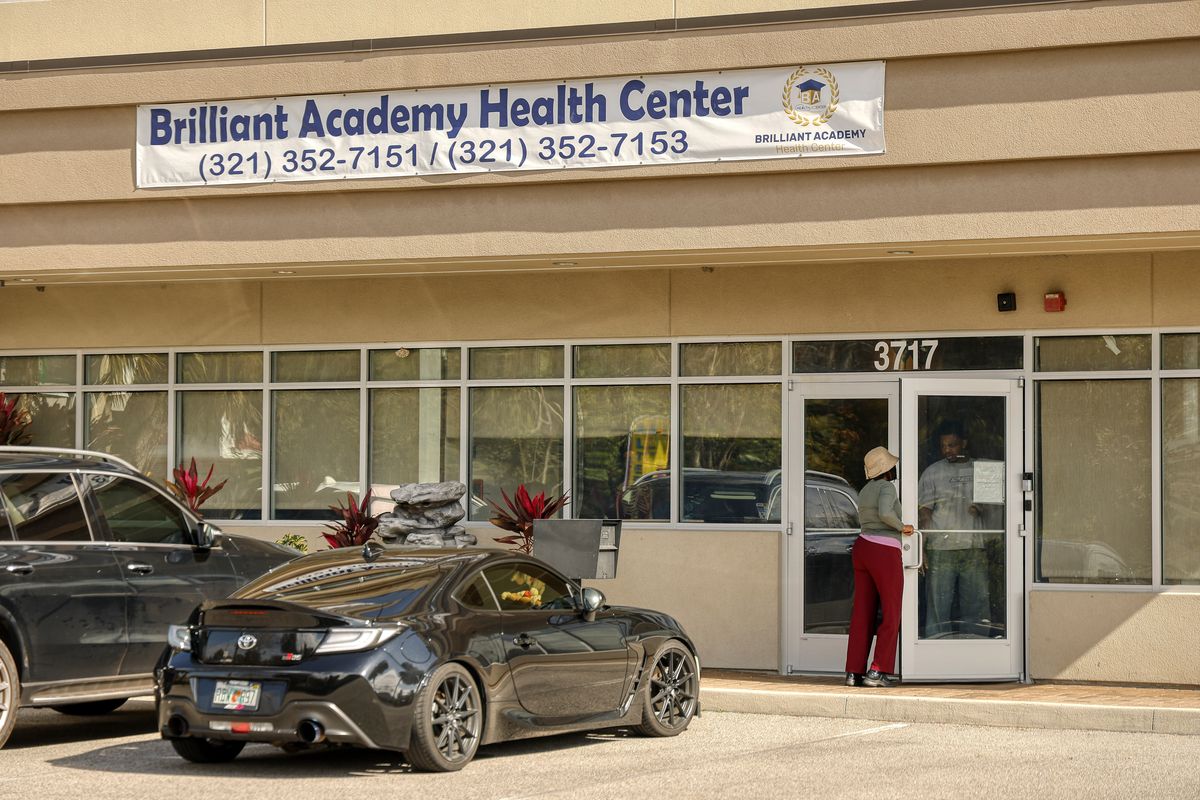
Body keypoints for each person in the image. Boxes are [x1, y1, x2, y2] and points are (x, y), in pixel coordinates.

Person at [845, 446, 913, 688]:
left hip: (862, 547)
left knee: (862, 613)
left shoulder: (864, 490)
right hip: (883, 550)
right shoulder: (887, 487)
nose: (894, 469)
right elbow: (885, 513)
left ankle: (854, 672)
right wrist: (902, 526)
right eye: (892, 466)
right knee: (892, 611)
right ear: (886, 469)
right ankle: (877, 670)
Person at [917, 420, 992, 637]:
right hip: (941, 548)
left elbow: (999, 510)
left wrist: (983, 508)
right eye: (944, 446)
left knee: (976, 602)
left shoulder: (981, 470)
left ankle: (976, 643)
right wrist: (921, 548)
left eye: (952, 445)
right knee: (938, 605)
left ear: (964, 443)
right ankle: (934, 645)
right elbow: (925, 513)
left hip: (974, 546)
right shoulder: (933, 472)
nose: (947, 450)